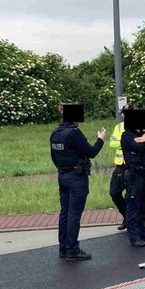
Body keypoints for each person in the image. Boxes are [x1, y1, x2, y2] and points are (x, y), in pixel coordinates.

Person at [50, 104, 105, 260]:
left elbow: (54, 157)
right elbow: (91, 152)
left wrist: (62, 169)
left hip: (62, 176)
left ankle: (63, 248)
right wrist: (100, 140)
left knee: (64, 213)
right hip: (77, 177)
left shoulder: (55, 133)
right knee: (74, 214)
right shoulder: (74, 133)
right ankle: (73, 250)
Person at [121, 109, 145, 247]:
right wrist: (142, 142)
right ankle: (134, 235)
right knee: (133, 204)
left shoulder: (144, 134)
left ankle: (143, 231)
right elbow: (134, 147)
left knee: (144, 203)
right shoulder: (126, 135)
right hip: (134, 174)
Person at [109, 116, 127, 231]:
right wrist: (126, 142)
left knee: (132, 196)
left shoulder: (139, 127)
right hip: (120, 166)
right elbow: (112, 143)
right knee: (114, 193)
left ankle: (132, 221)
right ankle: (127, 215)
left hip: (132, 166)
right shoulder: (119, 127)